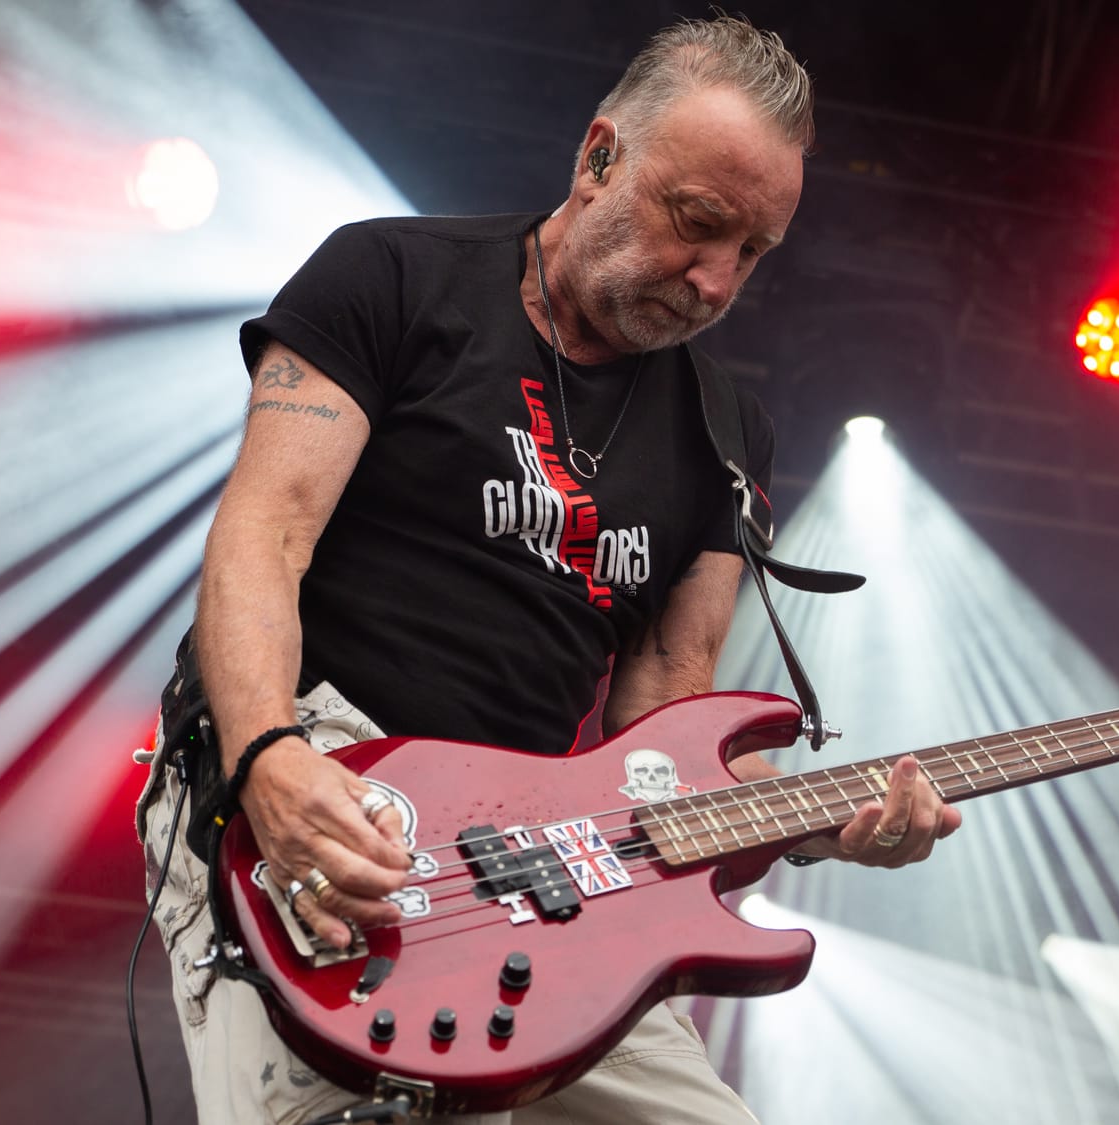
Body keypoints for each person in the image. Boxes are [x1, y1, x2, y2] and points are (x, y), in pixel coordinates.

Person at [137, 15, 961, 1123]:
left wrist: (822, 824)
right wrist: (268, 759)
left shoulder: (724, 431)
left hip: (534, 853)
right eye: (698, 224)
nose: (715, 281)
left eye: (751, 252)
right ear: (599, 156)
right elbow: (260, 537)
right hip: (317, 756)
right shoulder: (389, 275)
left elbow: (668, 726)